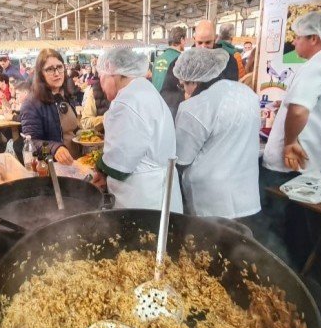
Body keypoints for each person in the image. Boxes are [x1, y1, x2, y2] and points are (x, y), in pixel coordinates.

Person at [259, 10, 321, 265]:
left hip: (290, 167)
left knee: (278, 226)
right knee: (301, 228)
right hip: (316, 165)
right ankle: (295, 273)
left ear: (315, 38)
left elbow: (299, 108)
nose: (294, 42)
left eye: (299, 37)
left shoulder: (318, 66)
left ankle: (275, 272)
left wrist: (290, 142)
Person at [174, 48, 260, 219]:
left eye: (183, 84)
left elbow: (182, 158)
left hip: (210, 200)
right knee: (241, 241)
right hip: (246, 193)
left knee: (212, 243)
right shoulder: (247, 93)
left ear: (194, 80)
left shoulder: (195, 107)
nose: (184, 89)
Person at [92, 48, 182, 212]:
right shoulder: (144, 89)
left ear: (112, 71)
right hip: (161, 192)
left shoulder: (127, 101)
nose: (101, 87)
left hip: (143, 200)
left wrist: (101, 170)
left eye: (101, 78)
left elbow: (120, 163)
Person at [19, 49, 80, 164]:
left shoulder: (66, 96)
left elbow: (71, 129)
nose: (57, 73)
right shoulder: (31, 104)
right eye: (50, 69)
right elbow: (31, 142)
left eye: (59, 67)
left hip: (77, 163)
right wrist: (54, 148)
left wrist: (83, 134)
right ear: (41, 73)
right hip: (53, 168)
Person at [152, 26, 185, 91]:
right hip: (171, 100)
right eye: (185, 40)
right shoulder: (182, 59)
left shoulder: (157, 59)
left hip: (155, 99)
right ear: (181, 40)